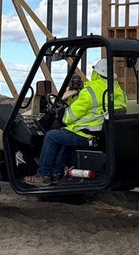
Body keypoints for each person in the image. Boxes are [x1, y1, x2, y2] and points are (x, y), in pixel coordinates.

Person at [27, 55, 126, 186]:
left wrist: (60, 111)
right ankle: (56, 173)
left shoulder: (90, 91)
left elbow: (68, 118)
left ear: (96, 73)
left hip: (86, 134)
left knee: (51, 136)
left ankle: (43, 175)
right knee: (64, 135)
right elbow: (94, 111)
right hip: (101, 134)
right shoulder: (117, 90)